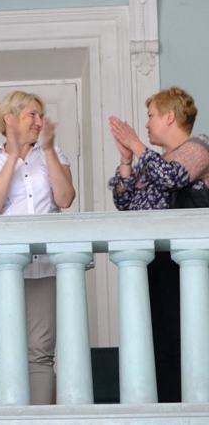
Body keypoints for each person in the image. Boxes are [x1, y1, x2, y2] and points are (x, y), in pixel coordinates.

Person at [0, 91, 76, 405]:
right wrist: (13, 157)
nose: (39, 121)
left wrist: (48, 151)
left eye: (41, 115)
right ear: (10, 118)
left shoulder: (54, 154)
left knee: (39, 352)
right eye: (32, 114)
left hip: (43, 266)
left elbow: (65, 199)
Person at [108, 86, 209, 402]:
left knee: (185, 334)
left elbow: (173, 177)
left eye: (151, 115)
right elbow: (124, 202)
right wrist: (126, 160)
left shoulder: (199, 145)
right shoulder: (151, 160)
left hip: (183, 259)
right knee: (156, 340)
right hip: (149, 258)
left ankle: (195, 408)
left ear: (169, 116)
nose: (146, 123)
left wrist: (137, 145)